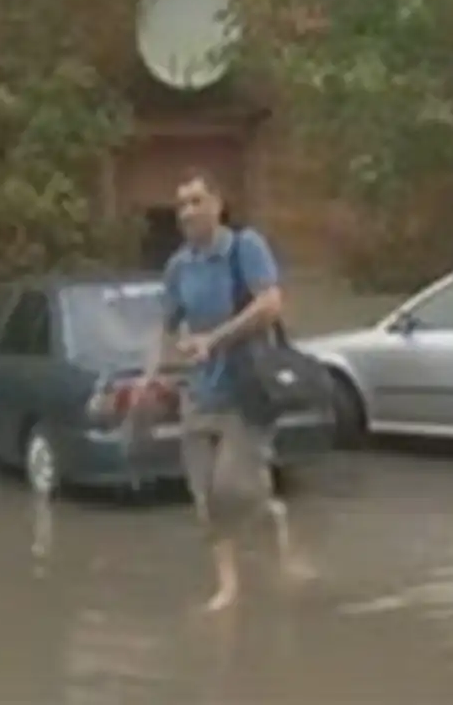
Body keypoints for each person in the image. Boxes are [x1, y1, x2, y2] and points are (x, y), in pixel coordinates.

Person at [137, 170, 303, 612]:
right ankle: (228, 587)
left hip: (246, 390)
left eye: (196, 201)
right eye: (181, 206)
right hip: (199, 393)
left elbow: (269, 305)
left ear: (218, 204)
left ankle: (271, 515)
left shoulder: (245, 248)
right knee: (204, 494)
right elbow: (164, 324)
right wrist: (148, 375)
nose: (187, 212)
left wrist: (214, 340)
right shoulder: (179, 266)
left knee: (234, 489)